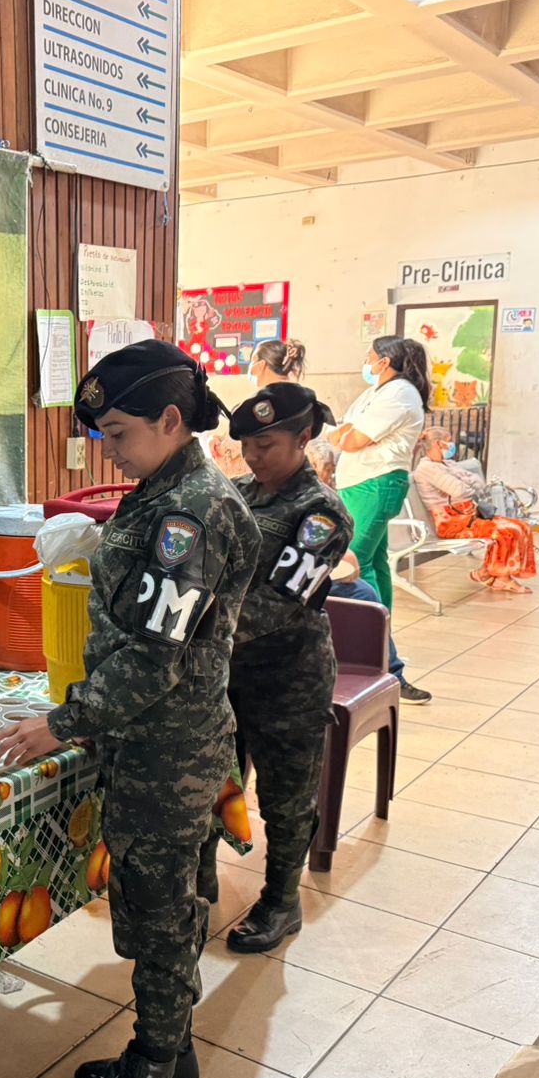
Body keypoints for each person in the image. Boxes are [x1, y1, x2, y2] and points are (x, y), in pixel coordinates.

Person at [0, 340, 260, 1078]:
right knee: (166, 912)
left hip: (166, 749)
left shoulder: (192, 514)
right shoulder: (164, 492)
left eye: (118, 434)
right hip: (158, 740)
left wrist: (65, 722)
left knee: (161, 924)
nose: (108, 451)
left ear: (171, 420)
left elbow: (154, 656)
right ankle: (167, 1059)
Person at [196, 382, 351, 955]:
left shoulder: (321, 513)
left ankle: (282, 902)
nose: (254, 457)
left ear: (303, 437)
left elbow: (279, 601)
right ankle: (199, 888)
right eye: (247, 446)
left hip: (289, 676)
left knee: (286, 798)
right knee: (213, 780)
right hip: (224, 673)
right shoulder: (238, 493)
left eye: (267, 445)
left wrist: (193, 631)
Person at [306, 439, 429, 703]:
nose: (329, 475)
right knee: (362, 593)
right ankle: (389, 672)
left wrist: (338, 549)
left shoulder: (317, 493)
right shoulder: (297, 491)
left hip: (309, 567)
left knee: (363, 590)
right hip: (288, 578)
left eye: (331, 469)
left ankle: (385, 671)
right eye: (326, 468)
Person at [327, 336, 429, 608]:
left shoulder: (400, 393)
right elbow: (340, 429)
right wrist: (346, 433)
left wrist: (347, 434)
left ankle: (368, 630)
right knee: (375, 561)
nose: (366, 362)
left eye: (369, 357)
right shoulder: (376, 391)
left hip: (375, 482)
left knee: (354, 563)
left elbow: (351, 440)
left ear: (384, 362)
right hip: (359, 482)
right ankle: (383, 629)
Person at [412, 428, 538, 594]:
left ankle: (489, 573)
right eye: (448, 441)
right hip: (453, 524)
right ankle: (499, 577)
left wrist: (465, 485)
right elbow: (458, 490)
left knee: (522, 526)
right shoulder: (426, 468)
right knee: (507, 531)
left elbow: (478, 482)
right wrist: (467, 485)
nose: (452, 445)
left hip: (470, 517)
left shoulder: (448, 463)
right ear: (438, 443)